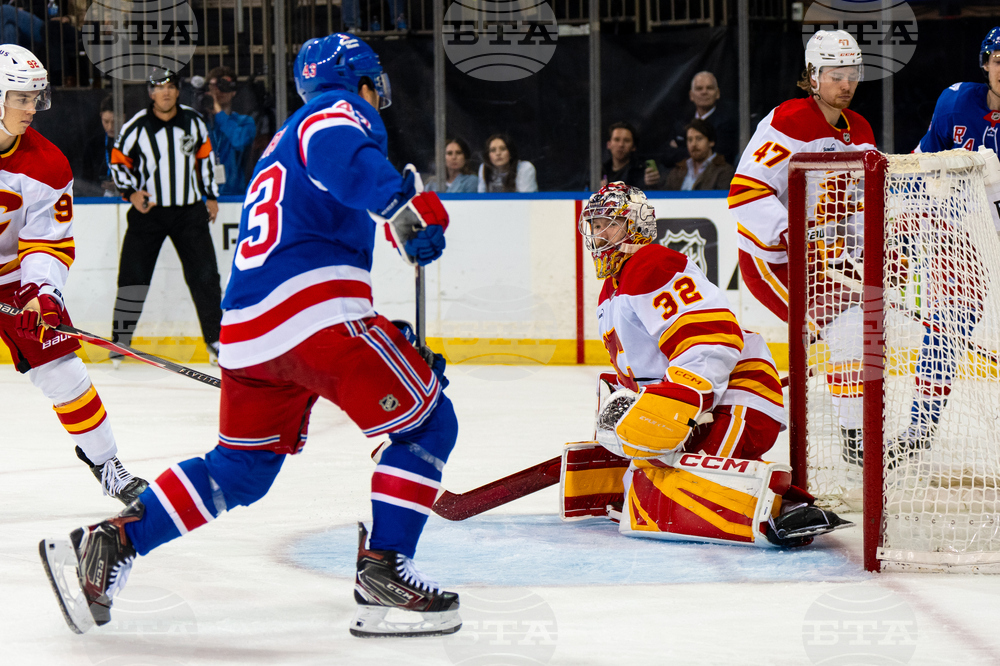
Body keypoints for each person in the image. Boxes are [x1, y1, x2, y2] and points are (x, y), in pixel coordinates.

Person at [41, 33, 462, 639]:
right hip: (311, 316)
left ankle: (111, 543)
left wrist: (386, 339)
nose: (375, 97)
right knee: (428, 422)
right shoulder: (335, 113)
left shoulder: (279, 142)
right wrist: (402, 205)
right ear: (360, 81)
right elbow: (337, 151)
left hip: (249, 332)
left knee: (241, 469)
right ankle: (386, 569)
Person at [570, 182, 849, 547]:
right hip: (702, 408)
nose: (599, 233)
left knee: (658, 488)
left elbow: (712, 340)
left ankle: (779, 511)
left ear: (634, 225)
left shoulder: (651, 265)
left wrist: (680, 398)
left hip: (739, 397)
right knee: (640, 489)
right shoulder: (612, 289)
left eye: (610, 223)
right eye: (595, 225)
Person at [0, 45, 146, 504]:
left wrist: (40, 295)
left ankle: (108, 465)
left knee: (64, 370)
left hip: (13, 280)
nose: (31, 109)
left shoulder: (47, 163)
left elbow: (48, 242)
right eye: (21, 98)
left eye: (34, 98)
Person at [729, 29, 875, 464]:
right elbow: (745, 193)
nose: (846, 83)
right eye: (835, 74)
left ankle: (856, 434)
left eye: (852, 73)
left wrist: (873, 248)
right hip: (773, 263)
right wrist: (793, 235)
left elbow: (860, 206)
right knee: (848, 330)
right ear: (813, 77)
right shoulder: (787, 122)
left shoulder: (862, 131)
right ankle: (854, 437)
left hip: (827, 264)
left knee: (860, 333)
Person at [885, 27, 1000, 461]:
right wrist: (903, 215)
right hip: (962, 242)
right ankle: (920, 426)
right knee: (944, 334)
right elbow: (921, 163)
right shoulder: (955, 102)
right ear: (986, 63)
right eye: (999, 59)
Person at [108, 68, 223, 365]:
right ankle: (120, 342)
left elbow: (206, 158)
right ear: (150, 93)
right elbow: (119, 162)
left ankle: (216, 340)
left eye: (171, 86)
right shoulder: (136, 126)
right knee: (133, 277)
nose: (166, 92)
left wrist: (210, 196)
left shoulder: (193, 121)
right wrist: (131, 193)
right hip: (149, 214)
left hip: (189, 212)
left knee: (206, 277)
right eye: (159, 88)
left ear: (177, 90)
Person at [660, 71, 739, 169]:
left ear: (717, 93)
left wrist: (680, 150)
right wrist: (702, 152)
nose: (704, 92)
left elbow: (721, 157)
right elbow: (666, 155)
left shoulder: (727, 122)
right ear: (691, 95)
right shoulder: (682, 122)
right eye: (699, 88)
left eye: (709, 88)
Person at [203, 66, 256, 196]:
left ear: (233, 92)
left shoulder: (244, 122)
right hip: (203, 195)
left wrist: (219, 114)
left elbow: (239, 141)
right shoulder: (200, 124)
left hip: (235, 195)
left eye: (224, 87)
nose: (219, 92)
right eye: (214, 87)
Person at [661, 118, 734, 191]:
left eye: (699, 139)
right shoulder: (677, 171)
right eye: (690, 140)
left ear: (711, 142)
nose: (693, 144)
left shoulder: (724, 171)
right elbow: (663, 198)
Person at [600, 121, 660, 189]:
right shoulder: (600, 171)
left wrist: (650, 184)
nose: (621, 145)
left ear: (633, 147)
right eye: (616, 139)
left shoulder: (641, 172)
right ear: (609, 144)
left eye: (626, 140)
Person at [81, 95, 118, 197]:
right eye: (106, 122)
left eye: (114, 122)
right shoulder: (93, 145)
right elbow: (86, 182)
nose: (110, 127)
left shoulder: (131, 141)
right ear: (101, 116)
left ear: (123, 117)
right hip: (97, 199)